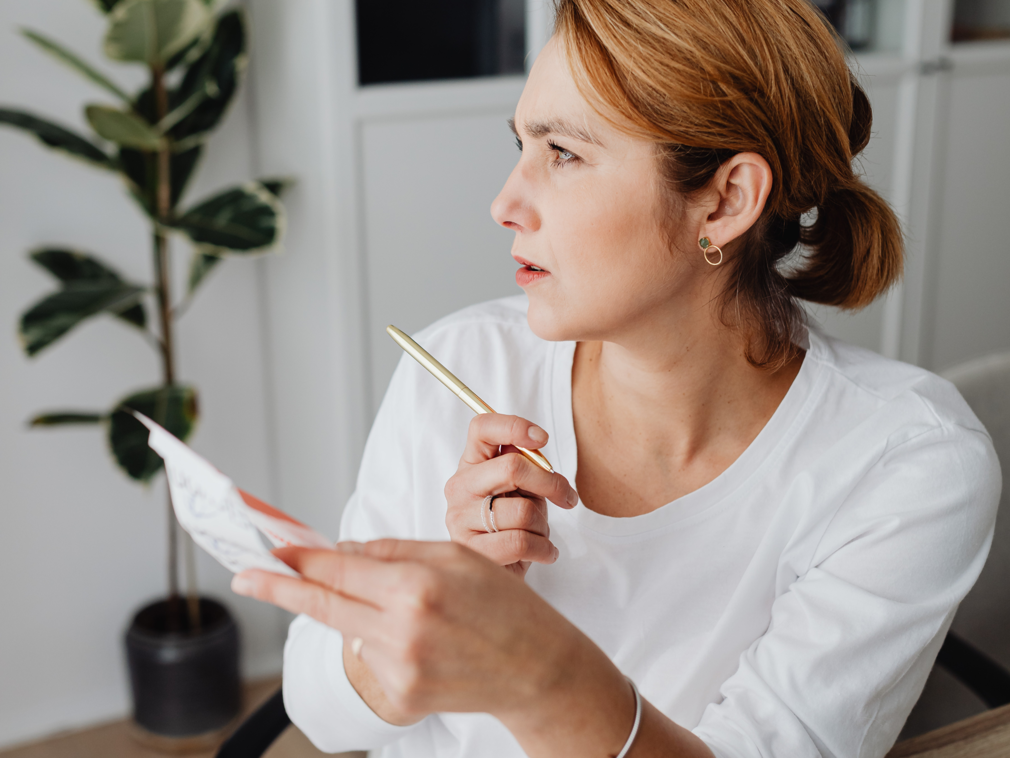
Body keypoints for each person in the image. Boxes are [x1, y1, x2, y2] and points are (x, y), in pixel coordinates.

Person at [230, 0, 1002, 755]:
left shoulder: (907, 465)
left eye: (562, 153)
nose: (504, 203)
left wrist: (539, 671)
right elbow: (323, 716)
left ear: (726, 200)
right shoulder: (462, 364)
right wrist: (433, 599)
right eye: (520, 146)